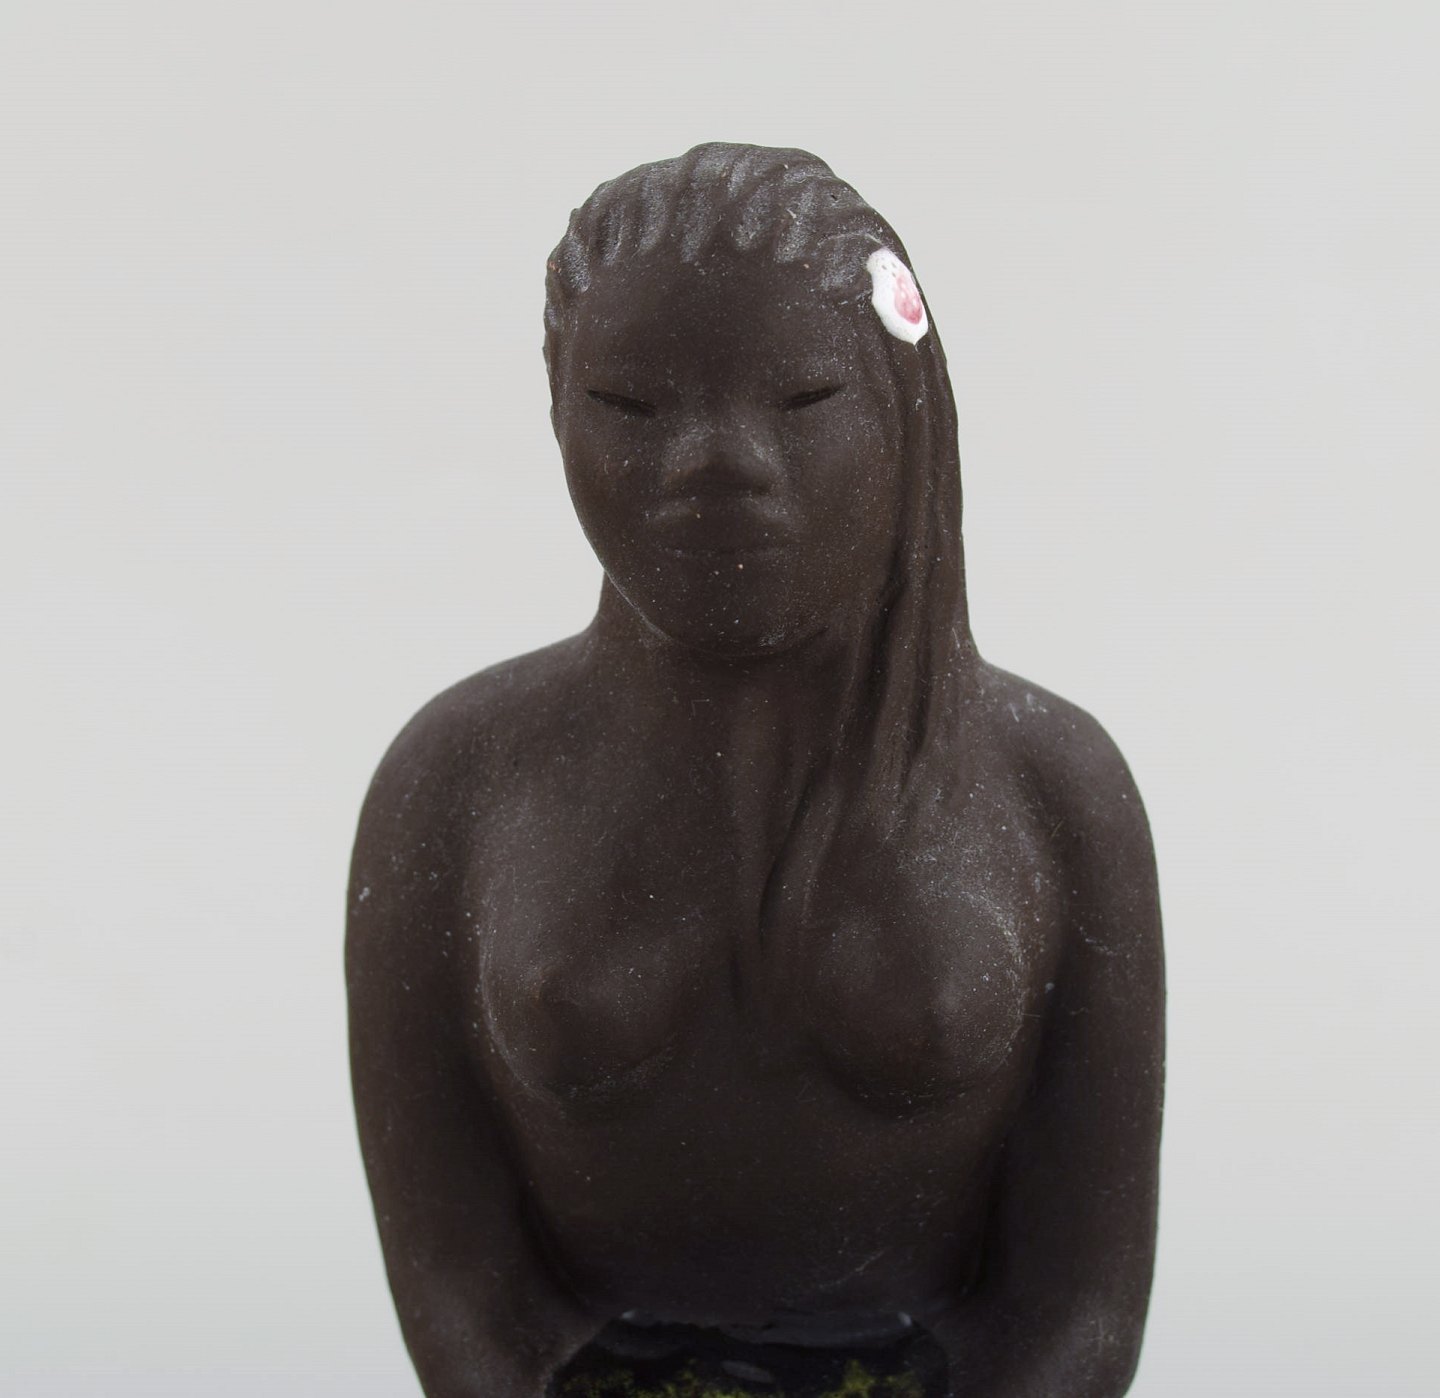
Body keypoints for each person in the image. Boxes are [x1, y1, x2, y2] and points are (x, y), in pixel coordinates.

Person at [346, 144, 1164, 1398]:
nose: (714, 460)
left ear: (907, 411)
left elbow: (1080, 1304)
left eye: (803, 400)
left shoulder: (1056, 789)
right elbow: (459, 1285)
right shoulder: (453, 781)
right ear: (556, 413)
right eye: (629, 406)